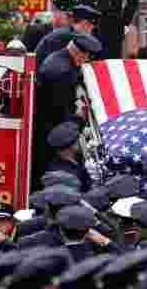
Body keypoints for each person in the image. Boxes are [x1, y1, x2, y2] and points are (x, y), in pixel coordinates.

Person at [33, 34, 102, 189]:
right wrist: (79, 121)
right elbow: (62, 113)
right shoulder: (62, 73)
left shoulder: (60, 58)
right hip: (51, 133)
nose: (85, 63)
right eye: (87, 58)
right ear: (81, 54)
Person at [34, 4, 100, 71]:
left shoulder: (66, 33)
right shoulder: (66, 37)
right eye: (91, 28)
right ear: (85, 24)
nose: (90, 33)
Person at [43, 121, 92, 193]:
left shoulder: (75, 156)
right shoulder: (62, 176)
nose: (80, 141)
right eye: (77, 139)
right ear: (71, 146)